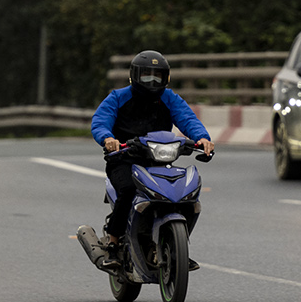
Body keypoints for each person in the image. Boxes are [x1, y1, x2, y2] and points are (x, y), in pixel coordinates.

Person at [90, 50, 214, 266]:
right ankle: (113, 242)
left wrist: (202, 138)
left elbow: (187, 119)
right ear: (134, 76)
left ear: (165, 78)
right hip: (123, 159)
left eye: (158, 75)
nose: (152, 80)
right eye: (147, 75)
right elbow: (100, 122)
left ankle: (177, 246)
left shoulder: (169, 98)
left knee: (184, 195)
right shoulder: (118, 98)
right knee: (128, 190)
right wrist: (108, 138)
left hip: (158, 161)